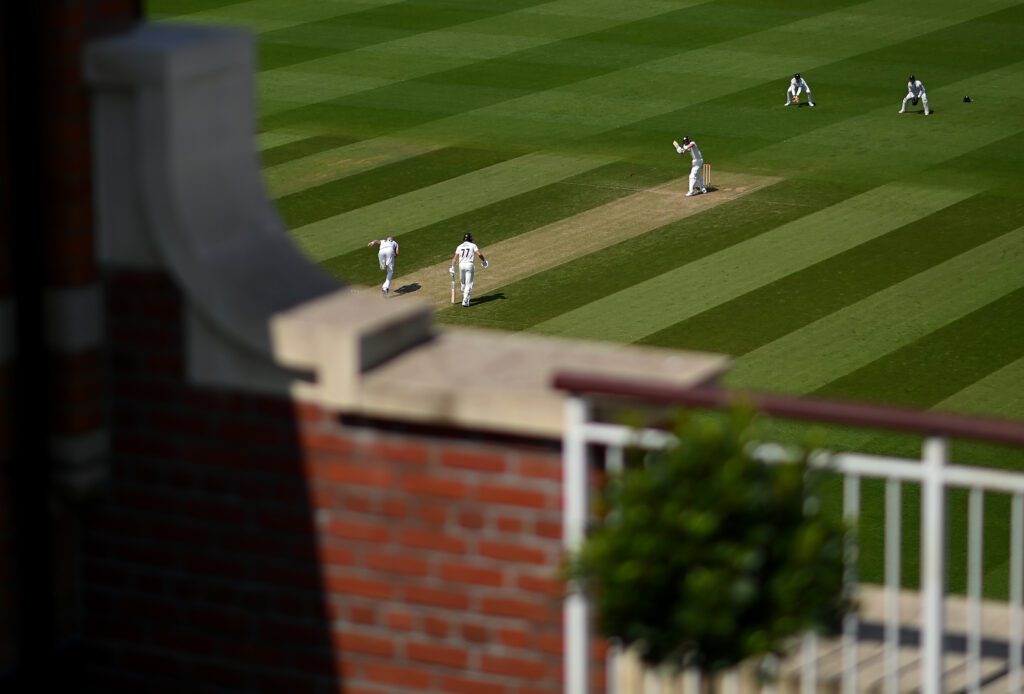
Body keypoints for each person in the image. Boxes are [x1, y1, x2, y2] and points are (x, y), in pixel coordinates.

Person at [450, 232, 488, 307]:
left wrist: (452, 267)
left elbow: (454, 259)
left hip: (461, 265)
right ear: (470, 239)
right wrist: (484, 261)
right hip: (469, 265)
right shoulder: (473, 245)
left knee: (463, 283)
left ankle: (465, 296)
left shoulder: (459, 246)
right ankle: (465, 299)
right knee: (469, 283)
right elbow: (479, 254)